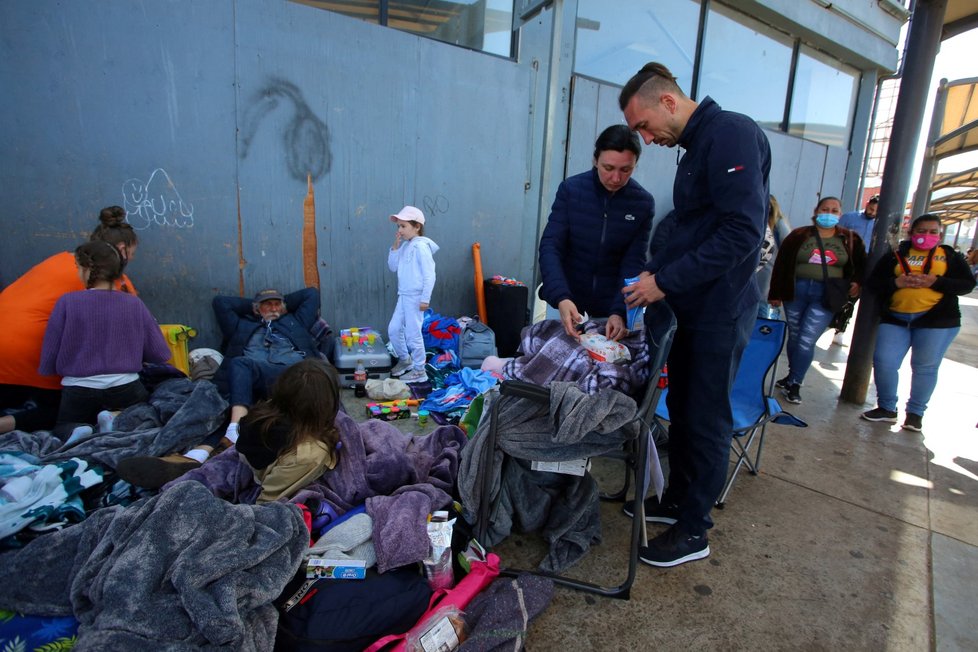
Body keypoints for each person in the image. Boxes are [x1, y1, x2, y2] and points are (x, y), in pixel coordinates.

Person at [617, 62, 771, 567]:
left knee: (705, 417)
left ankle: (694, 530)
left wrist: (664, 282)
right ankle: (678, 497)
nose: (645, 137)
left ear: (667, 102)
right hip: (692, 304)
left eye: (643, 125)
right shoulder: (692, 150)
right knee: (681, 409)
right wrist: (652, 273)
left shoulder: (730, 133)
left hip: (720, 308)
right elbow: (688, 230)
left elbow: (739, 232)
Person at [117, 286, 323, 488]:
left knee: (240, 370)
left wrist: (280, 307)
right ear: (256, 308)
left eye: (277, 304)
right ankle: (196, 456)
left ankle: (228, 434)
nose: (273, 308)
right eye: (266, 305)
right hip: (249, 378)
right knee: (227, 401)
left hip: (292, 375)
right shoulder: (241, 325)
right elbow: (221, 303)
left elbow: (310, 294)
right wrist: (254, 307)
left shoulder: (295, 321)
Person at [0, 206, 139, 435]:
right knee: (68, 411)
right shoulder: (116, 283)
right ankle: (7, 425)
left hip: (8, 361)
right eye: (132, 254)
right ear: (122, 250)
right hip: (29, 361)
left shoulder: (57, 260)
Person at [538, 124, 655, 341]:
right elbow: (550, 246)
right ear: (595, 160)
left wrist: (619, 311)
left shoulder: (642, 203)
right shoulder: (571, 190)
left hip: (609, 310)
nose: (616, 178)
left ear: (635, 164)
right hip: (566, 301)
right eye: (608, 168)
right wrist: (561, 297)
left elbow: (633, 263)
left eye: (625, 170)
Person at [860, 214, 975, 431]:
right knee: (884, 361)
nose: (927, 236)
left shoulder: (949, 256)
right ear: (911, 233)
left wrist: (937, 282)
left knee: (924, 367)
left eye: (933, 232)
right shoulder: (895, 256)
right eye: (921, 231)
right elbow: (873, 283)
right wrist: (896, 282)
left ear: (940, 235)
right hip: (896, 317)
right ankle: (886, 408)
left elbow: (966, 284)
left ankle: (915, 414)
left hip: (936, 322)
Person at [38, 241, 170, 430]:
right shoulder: (133, 303)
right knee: (141, 424)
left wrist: (48, 371)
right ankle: (113, 419)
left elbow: (50, 351)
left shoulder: (67, 302)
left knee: (64, 426)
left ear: (85, 269)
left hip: (78, 388)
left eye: (77, 268)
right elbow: (159, 354)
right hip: (126, 387)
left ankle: (81, 431)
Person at [768, 196, 867, 404]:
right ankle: (791, 374)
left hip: (826, 294)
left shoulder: (850, 239)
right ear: (816, 211)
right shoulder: (799, 236)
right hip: (796, 291)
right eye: (825, 209)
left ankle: (796, 383)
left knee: (806, 339)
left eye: (834, 210)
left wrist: (857, 283)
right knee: (795, 336)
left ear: (840, 215)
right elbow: (782, 264)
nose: (828, 214)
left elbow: (860, 265)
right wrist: (775, 294)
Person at [236, 358, 341, 503]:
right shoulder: (310, 453)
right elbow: (268, 501)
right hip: (275, 477)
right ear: (325, 406)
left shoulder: (267, 408)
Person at [387, 206, 438, 384]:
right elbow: (393, 267)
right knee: (393, 329)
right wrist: (395, 247)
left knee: (413, 334)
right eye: (398, 226)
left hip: (415, 297)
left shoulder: (421, 247)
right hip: (404, 296)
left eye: (403, 226)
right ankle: (405, 359)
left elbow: (429, 274)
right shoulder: (406, 246)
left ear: (417, 226)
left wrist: (425, 298)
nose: (399, 230)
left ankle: (419, 370)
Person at [832, 194, 880, 343]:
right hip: (845, 260)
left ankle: (841, 328)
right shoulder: (849, 218)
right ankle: (831, 319)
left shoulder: (882, 223)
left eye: (875, 211)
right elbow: (835, 234)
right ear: (867, 204)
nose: (872, 212)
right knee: (837, 291)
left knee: (853, 296)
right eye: (870, 208)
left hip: (866, 264)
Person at [755, 195, 791, 319]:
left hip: (766, 294)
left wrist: (778, 291)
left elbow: (788, 257)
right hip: (744, 292)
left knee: (765, 332)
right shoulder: (749, 221)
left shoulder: (778, 225)